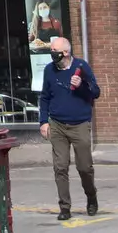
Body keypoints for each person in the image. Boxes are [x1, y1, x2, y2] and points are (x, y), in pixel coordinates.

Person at [39, 36, 100, 220]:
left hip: (80, 123)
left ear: (65, 52)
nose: (52, 54)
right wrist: (43, 122)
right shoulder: (49, 70)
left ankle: (91, 196)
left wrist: (81, 86)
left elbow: (95, 92)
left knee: (84, 167)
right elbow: (44, 97)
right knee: (60, 167)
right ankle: (64, 207)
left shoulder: (81, 67)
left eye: (54, 50)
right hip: (57, 124)